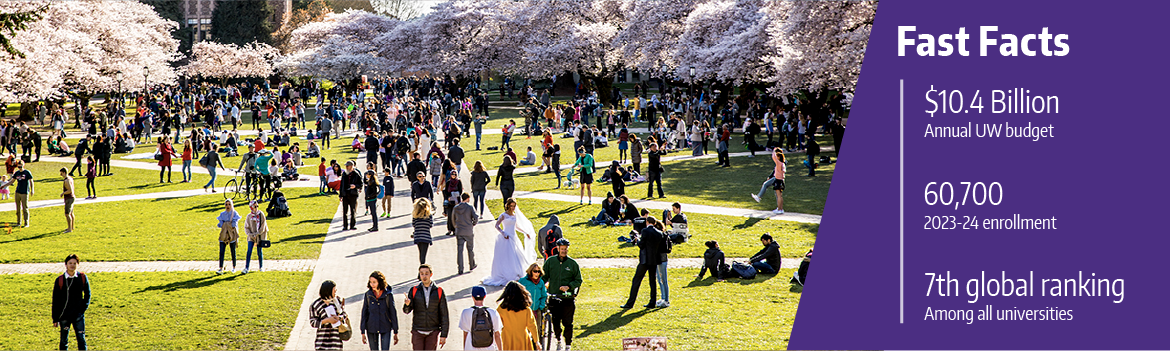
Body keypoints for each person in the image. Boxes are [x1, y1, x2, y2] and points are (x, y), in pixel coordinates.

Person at [483, 198, 537, 286]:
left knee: (516, 255)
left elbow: (516, 227)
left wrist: (525, 232)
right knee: (506, 256)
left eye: (514, 206)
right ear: (508, 206)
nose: (512, 208)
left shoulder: (515, 215)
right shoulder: (503, 215)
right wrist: (503, 233)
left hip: (513, 236)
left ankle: (516, 272)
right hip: (505, 238)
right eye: (511, 206)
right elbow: (497, 225)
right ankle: (506, 273)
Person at [542, 238, 581, 351]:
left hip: (567, 298)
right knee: (555, 321)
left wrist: (568, 286)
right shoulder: (550, 261)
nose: (564, 251)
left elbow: (578, 280)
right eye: (562, 249)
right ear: (558, 248)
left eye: (566, 249)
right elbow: (544, 276)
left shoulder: (572, 264)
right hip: (554, 297)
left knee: (568, 323)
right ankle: (559, 341)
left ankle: (568, 344)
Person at [621, 216, 665, 309]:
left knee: (636, 280)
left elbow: (641, 245)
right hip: (654, 260)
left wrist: (637, 239)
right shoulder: (659, 233)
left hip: (645, 260)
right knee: (652, 282)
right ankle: (652, 302)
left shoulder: (645, 231)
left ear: (647, 222)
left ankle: (630, 303)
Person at [403, 264, 450, 350]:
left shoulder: (439, 291)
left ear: (431, 274)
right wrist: (407, 305)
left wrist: (444, 335)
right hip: (418, 330)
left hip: (432, 331)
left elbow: (444, 314)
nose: (424, 276)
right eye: (422, 273)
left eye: (426, 273)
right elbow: (406, 311)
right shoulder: (414, 290)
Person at [52, 254, 90, 351]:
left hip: (78, 315)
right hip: (64, 315)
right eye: (70, 263)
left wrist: (83, 309)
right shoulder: (60, 280)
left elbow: (87, 294)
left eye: (74, 263)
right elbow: (55, 300)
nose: (72, 265)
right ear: (66, 265)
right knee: (64, 341)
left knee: (81, 339)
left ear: (77, 264)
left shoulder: (82, 277)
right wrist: (55, 318)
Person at [362, 271, 400, 350]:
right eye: (370, 282)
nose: (372, 284)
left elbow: (393, 312)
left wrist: (395, 330)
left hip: (385, 327)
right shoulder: (368, 295)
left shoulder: (388, 295)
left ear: (380, 282)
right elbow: (364, 313)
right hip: (371, 328)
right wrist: (362, 331)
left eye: (374, 282)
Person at [496, 281, 540, 351]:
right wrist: (536, 341)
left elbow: (497, 326)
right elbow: (532, 325)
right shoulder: (526, 309)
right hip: (522, 339)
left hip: (507, 339)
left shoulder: (501, 309)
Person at [459, 286, 504, 351]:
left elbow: (465, 334)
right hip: (489, 348)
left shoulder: (465, 312)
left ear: (472, 297)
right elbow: (497, 334)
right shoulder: (493, 312)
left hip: (471, 348)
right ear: (485, 296)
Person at [309, 280, 348, 350]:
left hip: (336, 341)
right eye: (334, 290)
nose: (336, 291)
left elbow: (344, 315)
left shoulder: (337, 301)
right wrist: (327, 320)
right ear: (328, 291)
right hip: (322, 342)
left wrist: (339, 318)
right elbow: (312, 322)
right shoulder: (315, 305)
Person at [452, 193, 479, 274]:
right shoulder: (470, 207)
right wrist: (473, 224)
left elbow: (453, 219)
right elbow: (476, 217)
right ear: (467, 198)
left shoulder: (456, 208)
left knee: (460, 250)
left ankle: (460, 268)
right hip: (468, 231)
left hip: (459, 231)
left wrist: (456, 227)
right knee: (470, 249)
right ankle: (472, 264)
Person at [216, 199, 241, 274]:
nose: (228, 206)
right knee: (221, 251)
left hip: (231, 234)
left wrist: (230, 223)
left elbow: (234, 224)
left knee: (233, 251)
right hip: (224, 234)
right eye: (226, 204)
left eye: (229, 204)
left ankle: (234, 267)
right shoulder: (222, 214)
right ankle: (220, 268)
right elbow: (220, 225)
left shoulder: (234, 213)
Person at [519, 264, 548, 328]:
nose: (537, 273)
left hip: (537, 309)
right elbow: (518, 294)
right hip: (525, 309)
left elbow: (544, 295)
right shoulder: (523, 281)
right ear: (530, 271)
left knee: (536, 329)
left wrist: (541, 306)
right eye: (535, 271)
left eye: (538, 271)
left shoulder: (541, 282)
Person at [243, 201, 268, 273]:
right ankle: (246, 267)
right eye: (254, 206)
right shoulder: (249, 216)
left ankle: (261, 266)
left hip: (259, 236)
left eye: (257, 206)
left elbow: (263, 225)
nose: (256, 208)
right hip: (251, 237)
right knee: (249, 251)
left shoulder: (261, 214)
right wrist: (251, 234)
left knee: (259, 252)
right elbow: (246, 227)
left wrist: (257, 233)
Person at [340, 160, 363, 231]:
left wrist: (355, 186)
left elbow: (361, 184)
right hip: (345, 195)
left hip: (353, 194)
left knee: (353, 210)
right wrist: (340, 195)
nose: (347, 167)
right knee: (345, 211)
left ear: (352, 166)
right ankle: (345, 226)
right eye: (346, 166)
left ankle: (352, 225)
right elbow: (342, 185)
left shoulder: (356, 174)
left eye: (348, 166)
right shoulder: (344, 174)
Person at [411, 198, 434, 264]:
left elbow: (414, 224)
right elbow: (431, 224)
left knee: (421, 253)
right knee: (423, 254)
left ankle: (421, 267)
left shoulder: (415, 215)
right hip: (426, 236)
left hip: (418, 235)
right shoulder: (429, 215)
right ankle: (422, 268)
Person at [11, 160, 33, 227]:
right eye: (18, 166)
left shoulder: (27, 172)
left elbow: (31, 181)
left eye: (20, 166)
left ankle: (26, 222)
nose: (19, 168)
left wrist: (32, 190)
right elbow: (12, 181)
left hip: (24, 192)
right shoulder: (17, 173)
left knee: (25, 208)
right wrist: (4, 185)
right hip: (18, 191)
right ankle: (18, 222)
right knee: (18, 208)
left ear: (23, 165)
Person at [58, 168, 75, 233]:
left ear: (64, 173)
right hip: (72, 197)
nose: (61, 174)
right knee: (71, 213)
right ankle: (71, 226)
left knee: (67, 214)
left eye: (61, 173)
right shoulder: (70, 178)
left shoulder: (66, 180)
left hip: (69, 198)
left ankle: (69, 229)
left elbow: (70, 190)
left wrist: (63, 193)